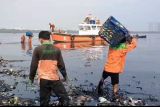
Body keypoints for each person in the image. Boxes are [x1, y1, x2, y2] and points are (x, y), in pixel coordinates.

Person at [29, 31, 69, 106]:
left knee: (44, 101)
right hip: (54, 78)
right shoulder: (57, 49)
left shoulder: (37, 49)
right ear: (49, 38)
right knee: (64, 98)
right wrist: (65, 77)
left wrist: (31, 79)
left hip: (43, 79)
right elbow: (61, 65)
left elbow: (33, 66)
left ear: (41, 39)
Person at [97, 36, 138, 101]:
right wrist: (133, 38)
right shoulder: (123, 48)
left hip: (107, 68)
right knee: (115, 84)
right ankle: (115, 96)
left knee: (102, 78)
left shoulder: (111, 46)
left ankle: (100, 86)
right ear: (124, 41)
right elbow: (134, 45)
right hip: (115, 70)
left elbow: (107, 42)